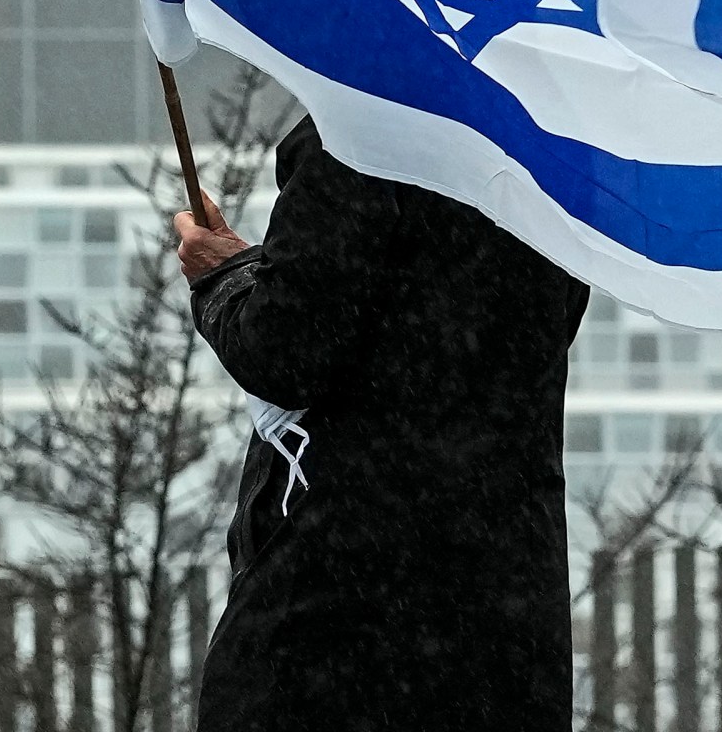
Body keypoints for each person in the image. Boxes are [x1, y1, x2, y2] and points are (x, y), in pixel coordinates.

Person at [177, 115, 591, 731]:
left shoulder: (360, 130)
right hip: (505, 608)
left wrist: (224, 277)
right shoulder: (551, 140)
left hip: (343, 606)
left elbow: (286, 351)